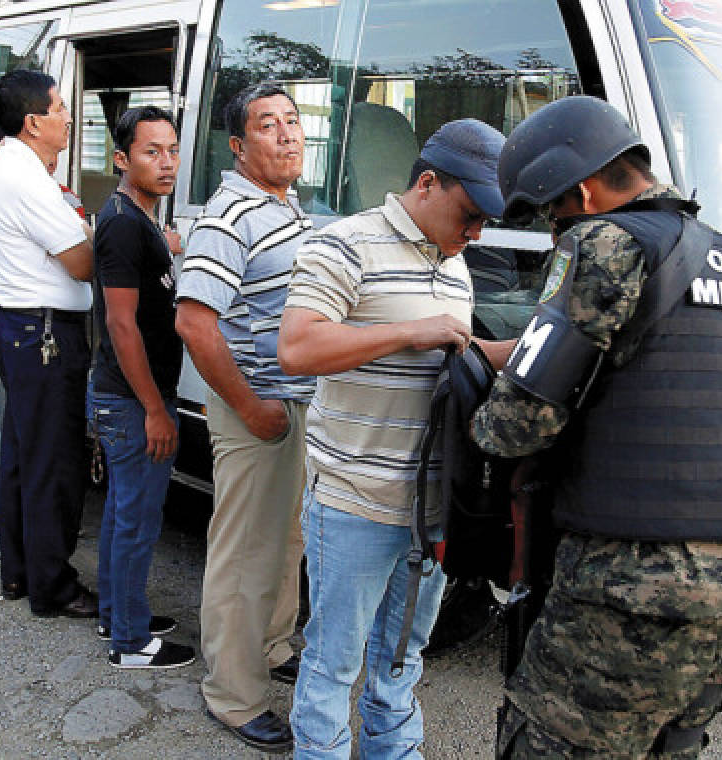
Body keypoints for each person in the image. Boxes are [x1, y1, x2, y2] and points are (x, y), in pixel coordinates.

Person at [470, 95, 722, 758]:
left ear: (585, 193)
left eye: (551, 213)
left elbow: (512, 429)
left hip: (634, 590)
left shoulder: (605, 242)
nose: (554, 231)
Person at [276, 119, 509, 759]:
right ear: (427, 184)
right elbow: (297, 347)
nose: (477, 234)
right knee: (331, 666)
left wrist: (516, 351)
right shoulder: (345, 245)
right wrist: (410, 332)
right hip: (354, 505)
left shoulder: (456, 268)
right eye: (470, 215)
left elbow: (453, 348)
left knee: (402, 662)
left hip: (430, 514)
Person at [174, 82, 315, 753]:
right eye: (268, 125)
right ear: (238, 145)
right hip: (255, 410)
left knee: (286, 542)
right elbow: (195, 325)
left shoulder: (286, 207)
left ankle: (271, 646)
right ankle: (232, 695)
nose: (288, 134)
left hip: (291, 406)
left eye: (293, 121)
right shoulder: (229, 215)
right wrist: (252, 407)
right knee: (244, 555)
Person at [0, 69, 98, 619]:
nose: (68, 117)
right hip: (45, 332)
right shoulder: (26, 176)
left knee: (25, 457)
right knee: (53, 461)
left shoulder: (10, 164)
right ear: (33, 122)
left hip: (22, 328)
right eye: (59, 108)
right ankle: (53, 586)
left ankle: (22, 573)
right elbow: (80, 262)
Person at [88, 105, 194, 670]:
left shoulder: (138, 217)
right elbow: (120, 323)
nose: (167, 161)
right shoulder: (125, 224)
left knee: (123, 513)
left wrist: (168, 247)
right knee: (136, 518)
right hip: (132, 400)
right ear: (122, 159)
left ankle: (117, 610)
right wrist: (155, 409)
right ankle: (129, 642)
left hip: (130, 397)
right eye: (152, 152)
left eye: (172, 149)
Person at [0, 158, 86, 566]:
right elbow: (75, 246)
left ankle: (26, 532)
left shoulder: (59, 193)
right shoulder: (2, 186)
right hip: (15, 332)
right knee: (3, 437)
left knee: (35, 444)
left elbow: (76, 239)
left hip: (46, 330)